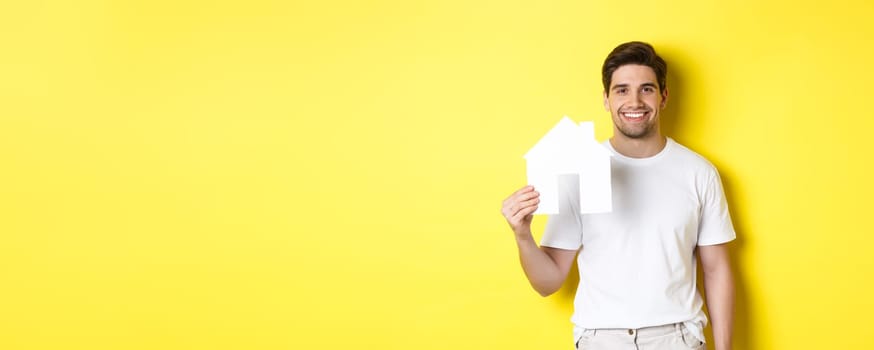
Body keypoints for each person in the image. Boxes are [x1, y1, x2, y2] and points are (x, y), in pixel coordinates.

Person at [501, 41, 735, 350]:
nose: (634, 101)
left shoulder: (699, 172)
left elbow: (717, 270)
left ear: (663, 97)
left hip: (678, 337)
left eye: (647, 89)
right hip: (601, 339)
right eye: (622, 90)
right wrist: (522, 235)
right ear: (606, 99)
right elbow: (548, 282)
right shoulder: (578, 170)